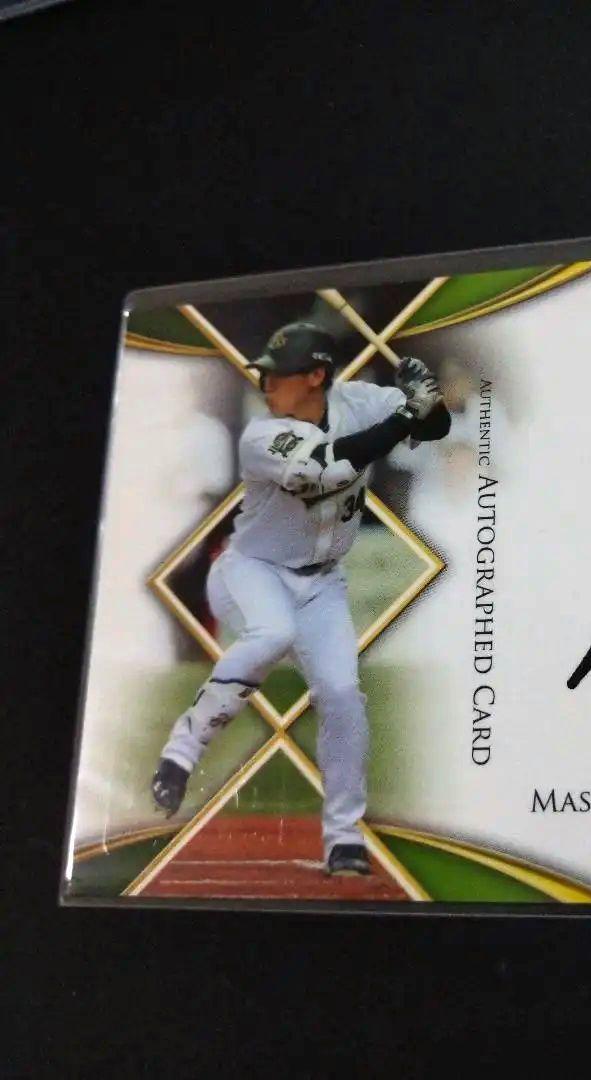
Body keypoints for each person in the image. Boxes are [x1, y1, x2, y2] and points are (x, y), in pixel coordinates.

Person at [150, 322, 450, 875]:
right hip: (251, 570)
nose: (266, 384)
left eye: (278, 374)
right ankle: (182, 750)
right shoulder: (261, 436)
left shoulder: (361, 401)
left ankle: (343, 838)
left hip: (323, 582)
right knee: (273, 632)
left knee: (342, 695)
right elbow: (331, 467)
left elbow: (437, 427)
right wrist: (407, 415)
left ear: (316, 376)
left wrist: (425, 401)